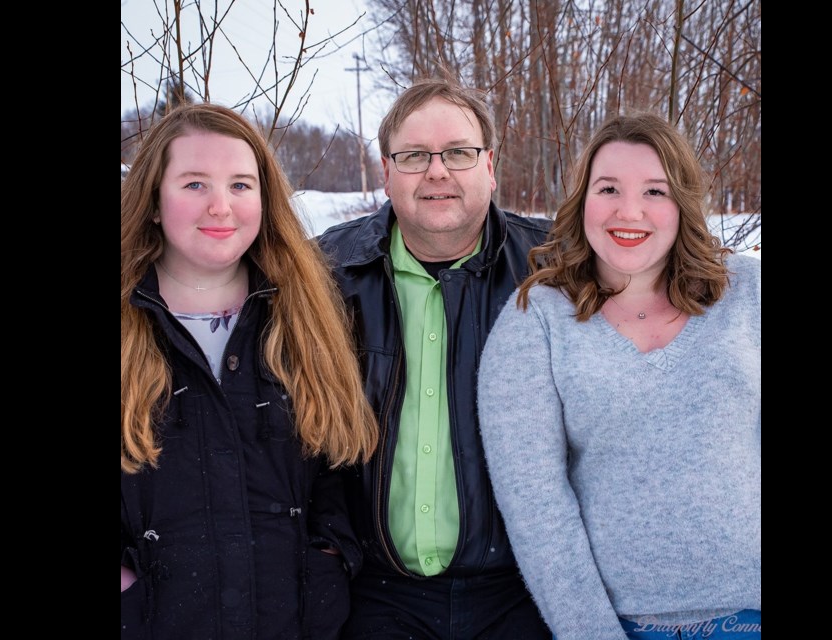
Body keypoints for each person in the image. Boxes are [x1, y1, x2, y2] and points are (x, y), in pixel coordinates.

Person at [476, 113, 761, 639]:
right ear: (583, 199)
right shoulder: (536, 321)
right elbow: (537, 507)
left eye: (655, 190)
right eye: (609, 188)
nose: (630, 211)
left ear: (682, 205)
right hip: (623, 626)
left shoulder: (750, 294)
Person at [120, 102, 379, 639]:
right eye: (194, 184)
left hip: (295, 622)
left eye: (241, 185)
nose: (221, 207)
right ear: (151, 200)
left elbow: (338, 459)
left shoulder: (306, 312)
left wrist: (329, 555)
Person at [317, 77, 553, 639]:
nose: (437, 170)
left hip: (521, 593)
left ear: (489, 165)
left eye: (458, 153)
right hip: (375, 594)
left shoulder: (554, 269)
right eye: (415, 155)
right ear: (386, 171)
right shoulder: (325, 274)